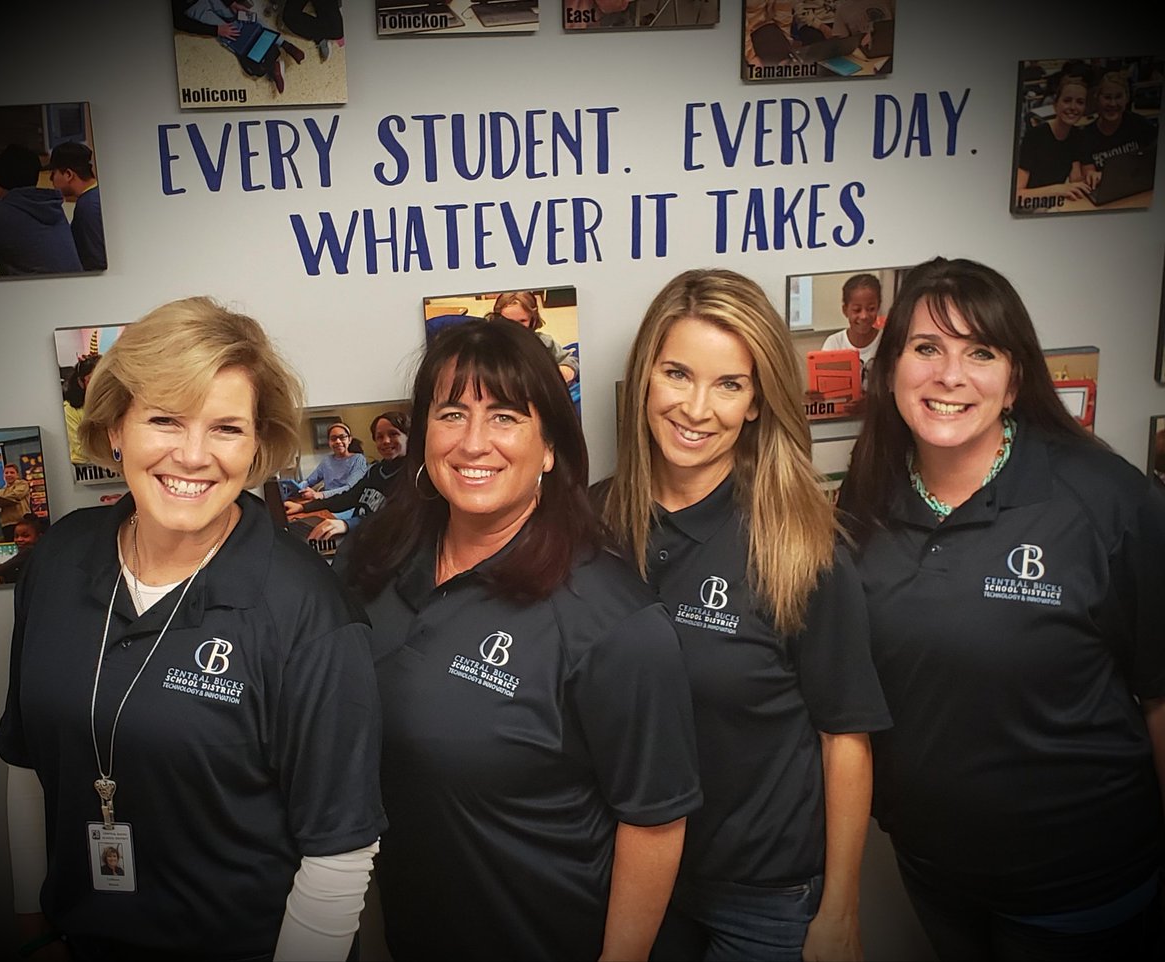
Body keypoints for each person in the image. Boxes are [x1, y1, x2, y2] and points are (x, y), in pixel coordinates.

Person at [0, 297, 386, 960]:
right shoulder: (59, 561)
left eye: (226, 428)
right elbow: (29, 760)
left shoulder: (308, 612)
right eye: (165, 420)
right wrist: (34, 923)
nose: (194, 455)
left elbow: (340, 852)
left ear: (257, 445)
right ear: (116, 426)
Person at [837, 256, 1165, 960]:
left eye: (978, 352)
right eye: (926, 348)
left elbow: (1162, 695)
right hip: (935, 876)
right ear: (890, 367)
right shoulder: (864, 503)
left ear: (1014, 380)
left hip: (1081, 893)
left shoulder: (1105, 499)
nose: (949, 376)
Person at [342, 319, 702, 961]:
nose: (474, 443)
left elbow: (655, 820)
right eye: (451, 413)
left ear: (550, 447)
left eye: (505, 417)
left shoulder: (612, 617)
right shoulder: (373, 566)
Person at [602, 269, 890, 962]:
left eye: (729, 384)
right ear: (645, 377)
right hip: (629, 880)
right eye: (677, 373)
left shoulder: (802, 546)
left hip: (766, 895)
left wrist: (840, 912)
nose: (696, 408)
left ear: (758, 402)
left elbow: (844, 736)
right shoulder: (593, 522)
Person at [289, 410, 410, 547]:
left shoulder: (413, 476)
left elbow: (395, 520)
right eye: (379, 437)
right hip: (361, 536)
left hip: (385, 546)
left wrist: (347, 524)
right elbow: (348, 497)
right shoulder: (375, 472)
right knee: (304, 544)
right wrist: (302, 507)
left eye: (393, 434)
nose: (386, 441)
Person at [0, 144, 82, 276]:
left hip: (34, 294)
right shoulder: (51, 205)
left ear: (0, 182)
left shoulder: (0, 216)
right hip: (69, 290)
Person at [173, 0, 307, 95]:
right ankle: (274, 63)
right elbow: (180, 22)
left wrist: (231, 3)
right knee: (233, 34)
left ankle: (286, 46)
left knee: (247, 19)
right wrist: (216, 30)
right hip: (190, 7)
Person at [1015, 71, 1092, 205]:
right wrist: (1058, 189)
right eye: (1067, 100)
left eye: (1080, 102)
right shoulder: (1035, 136)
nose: (1073, 107)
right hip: (1031, 206)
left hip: (1056, 203)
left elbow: (1079, 178)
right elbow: (1018, 195)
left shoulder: (1077, 135)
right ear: (1055, 105)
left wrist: (1093, 176)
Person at [1081, 71, 1159, 187]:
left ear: (1127, 98)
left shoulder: (1139, 124)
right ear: (1097, 98)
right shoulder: (1085, 135)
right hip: (1106, 191)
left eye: (1118, 97)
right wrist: (1092, 175)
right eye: (1107, 97)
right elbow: (1089, 171)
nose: (1113, 104)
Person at [490, 290, 580, 385]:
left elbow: (570, 360)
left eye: (522, 320)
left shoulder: (543, 341)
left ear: (532, 320)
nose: (516, 327)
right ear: (498, 319)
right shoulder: (491, 345)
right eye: (509, 321)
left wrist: (565, 372)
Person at [45, 141, 106, 271]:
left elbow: (96, 265)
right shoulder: (99, 195)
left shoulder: (87, 208)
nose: (51, 179)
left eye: (54, 173)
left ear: (68, 174)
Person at [821, 273, 884, 383]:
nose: (864, 316)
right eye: (857, 310)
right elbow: (824, 383)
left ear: (878, 306)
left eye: (871, 308)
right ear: (845, 310)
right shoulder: (834, 343)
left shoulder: (886, 340)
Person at [292, 420, 368, 505]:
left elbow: (350, 488)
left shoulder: (358, 459)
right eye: (333, 438)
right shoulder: (327, 461)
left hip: (347, 505)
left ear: (349, 440)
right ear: (329, 442)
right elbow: (309, 481)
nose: (338, 441)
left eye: (342, 437)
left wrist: (320, 494)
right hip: (328, 503)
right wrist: (297, 489)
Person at [63, 354, 103, 465]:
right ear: (81, 382)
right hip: (85, 469)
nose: (98, 384)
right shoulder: (70, 410)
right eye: (92, 379)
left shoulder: (113, 403)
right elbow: (80, 448)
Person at [0, 514, 41, 585]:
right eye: (16, 536)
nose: (19, 539)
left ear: (39, 537)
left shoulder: (28, 552)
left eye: (25, 536)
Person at [0, 464, 32, 542]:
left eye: (12, 472)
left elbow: (16, 495)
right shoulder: (1, 491)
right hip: (6, 525)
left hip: (22, 522)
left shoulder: (23, 484)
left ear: (17, 475)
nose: (9, 475)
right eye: (6, 473)